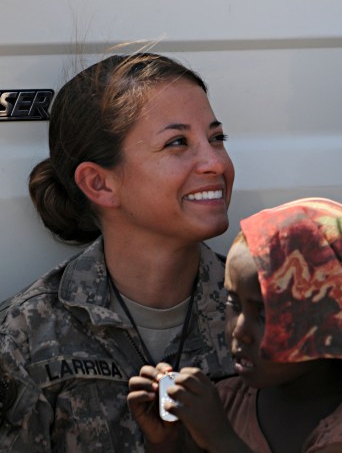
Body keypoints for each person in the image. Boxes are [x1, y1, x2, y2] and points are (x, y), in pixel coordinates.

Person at [0, 52, 235, 452]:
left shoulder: (264, 311)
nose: (216, 162)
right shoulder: (25, 335)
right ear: (100, 184)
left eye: (217, 138)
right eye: (178, 142)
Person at [128, 197, 342, 453]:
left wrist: (220, 439)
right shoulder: (226, 402)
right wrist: (165, 440)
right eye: (233, 304)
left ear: (330, 321)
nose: (239, 331)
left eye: (265, 315)